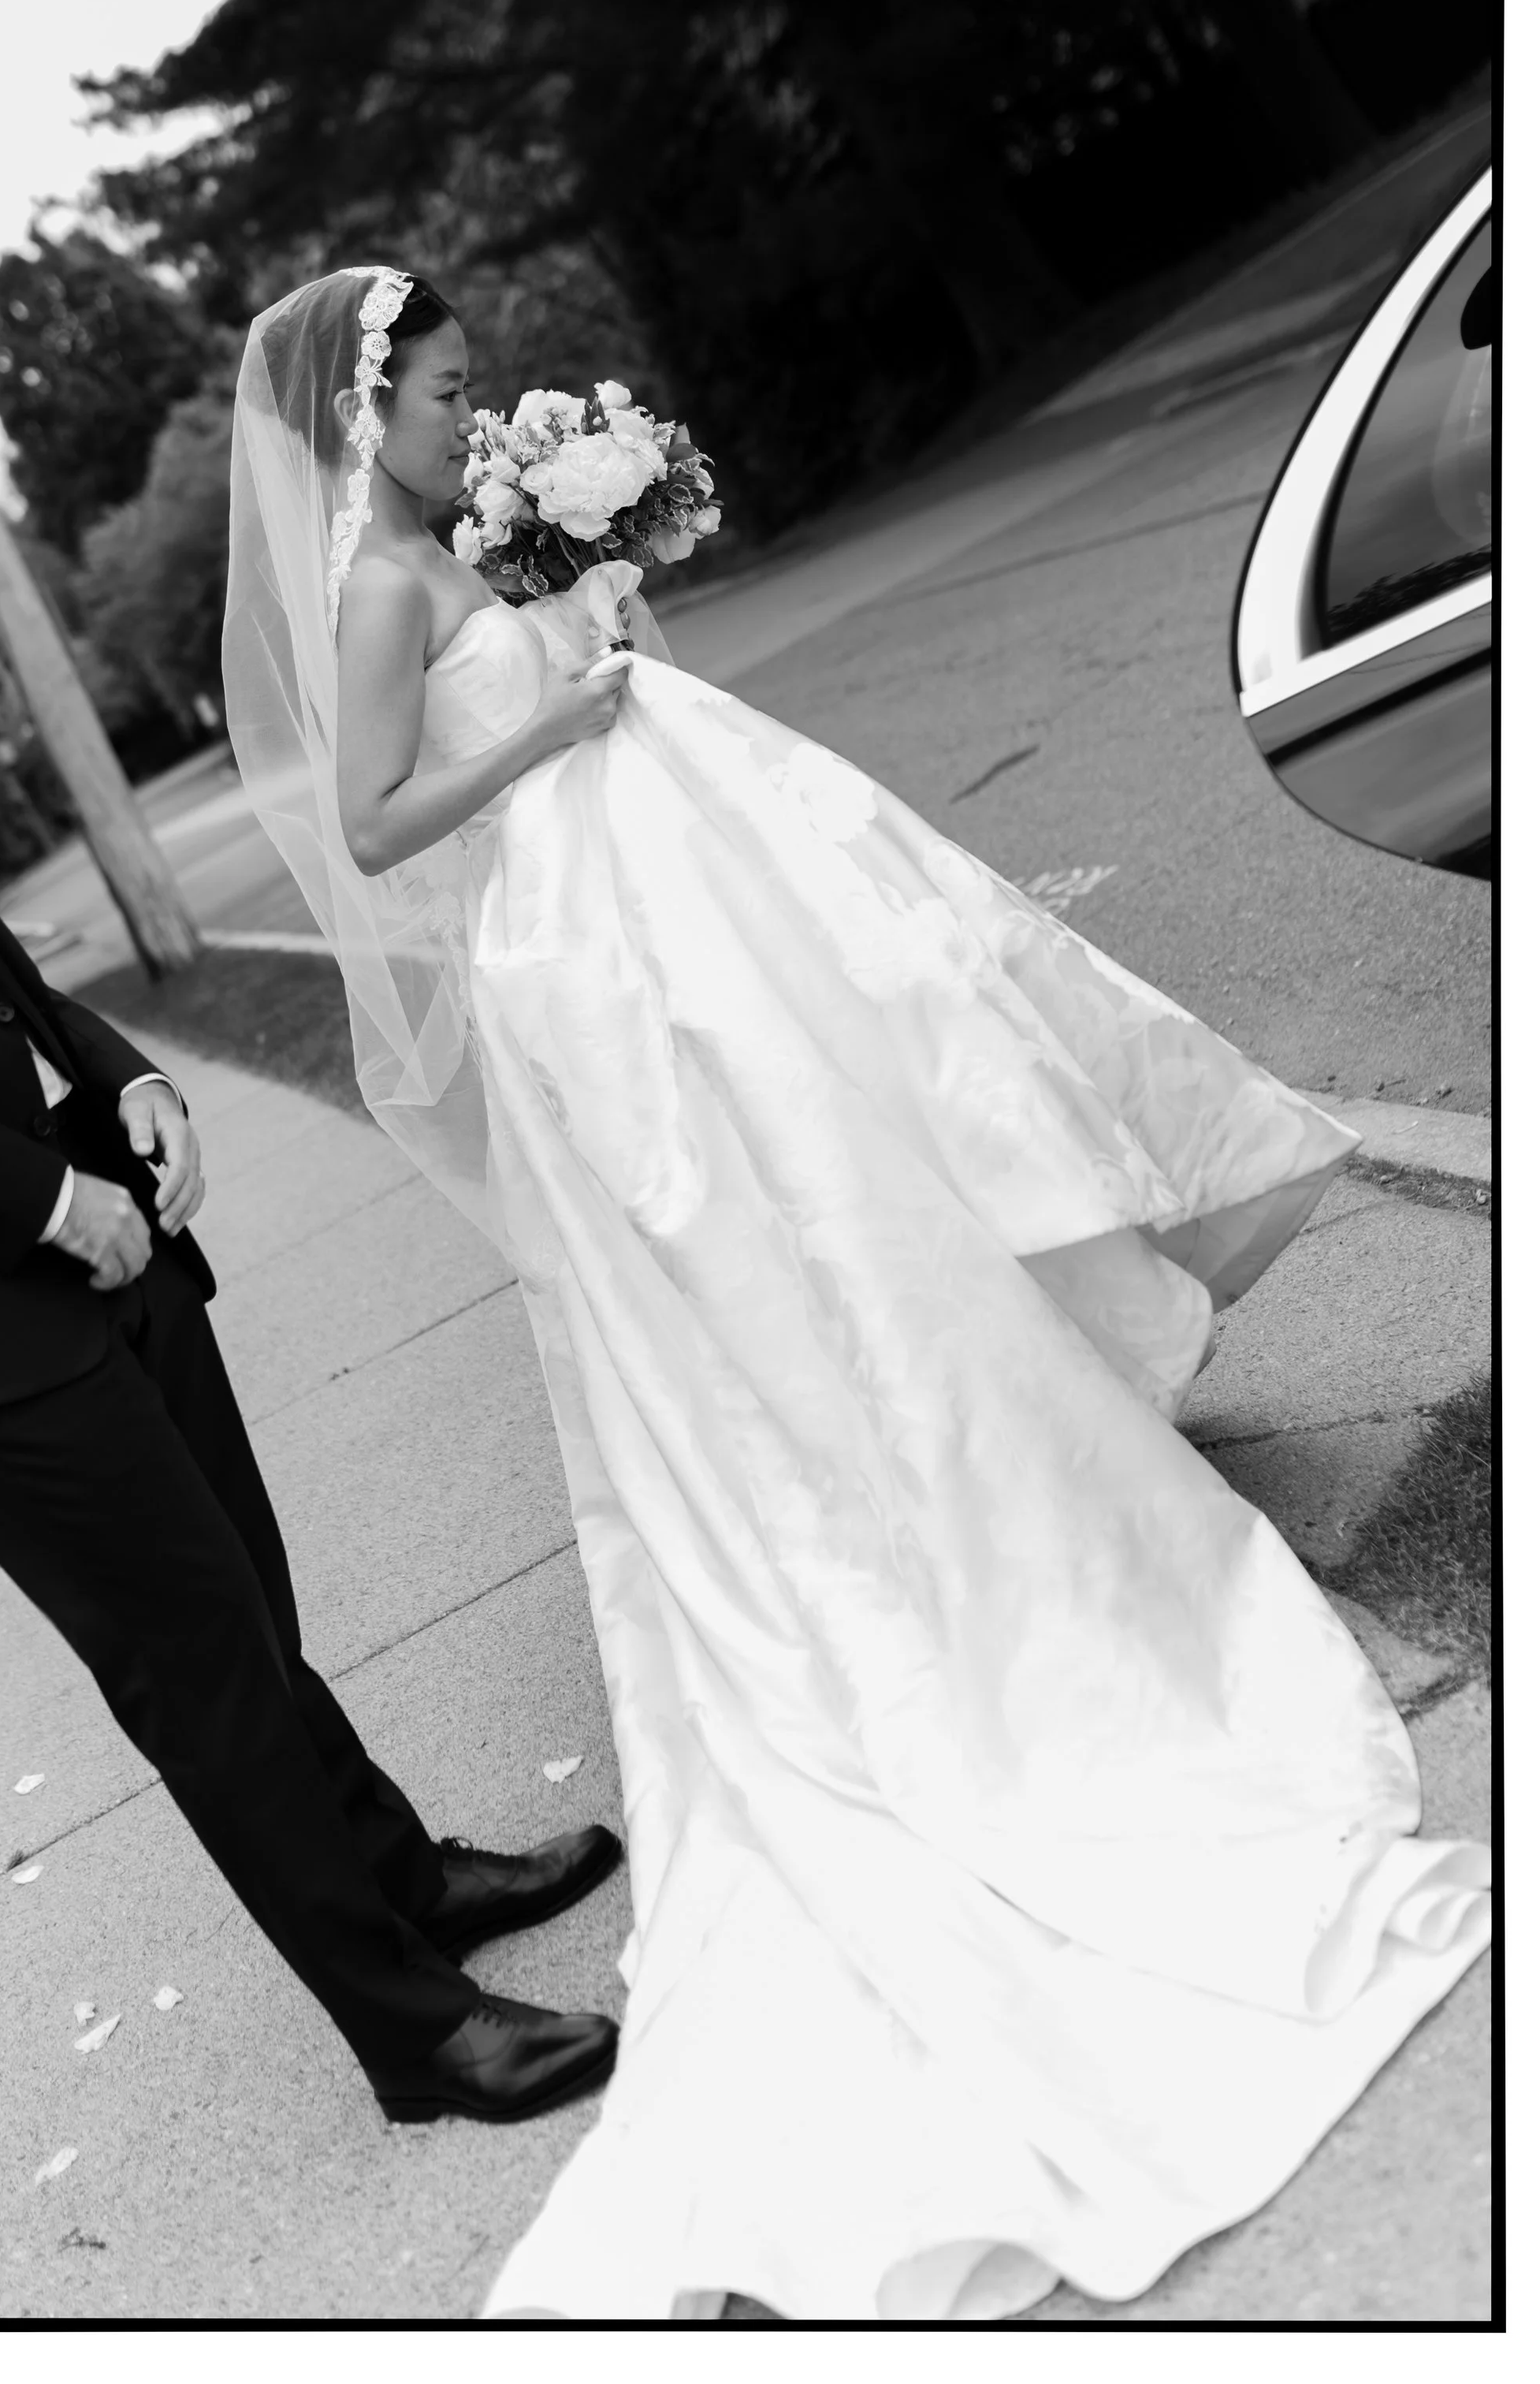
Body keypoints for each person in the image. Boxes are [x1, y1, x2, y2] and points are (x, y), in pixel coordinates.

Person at [221, 267, 1492, 2323]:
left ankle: (985, 1487)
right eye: (441, 394)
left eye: (467, 391)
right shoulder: (374, 594)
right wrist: (547, 711)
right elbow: (366, 825)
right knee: (757, 1283)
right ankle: (892, 1570)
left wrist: (588, 595)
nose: (467, 419)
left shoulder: (444, 549)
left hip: (660, 903)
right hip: (587, 961)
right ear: (356, 415)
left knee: (858, 1218)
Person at [0, 380, 627, 2131]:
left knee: (242, 1605)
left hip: (95, 1226)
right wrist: (36, 1199)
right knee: (193, 1666)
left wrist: (122, 1070)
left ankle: (401, 1873)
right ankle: (410, 2032)